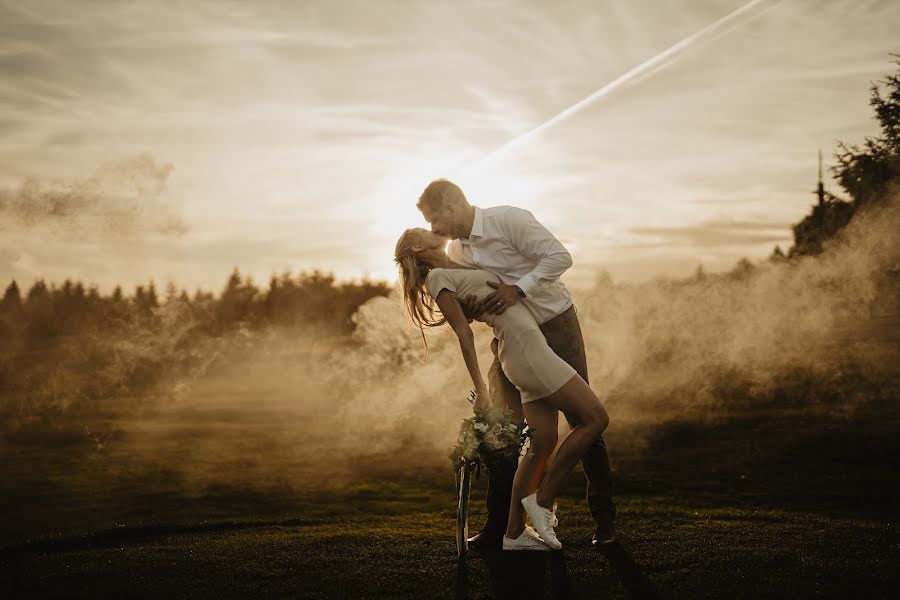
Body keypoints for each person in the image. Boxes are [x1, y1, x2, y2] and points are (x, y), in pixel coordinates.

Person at [416, 178, 617, 549]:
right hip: (513, 344)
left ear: (450, 206)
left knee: (583, 424)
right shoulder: (456, 255)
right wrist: (478, 310)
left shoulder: (508, 220)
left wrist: (518, 289)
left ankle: (603, 524)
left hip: (556, 325)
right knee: (508, 433)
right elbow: (477, 307)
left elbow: (560, 257)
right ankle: (505, 527)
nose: (434, 229)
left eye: (433, 219)